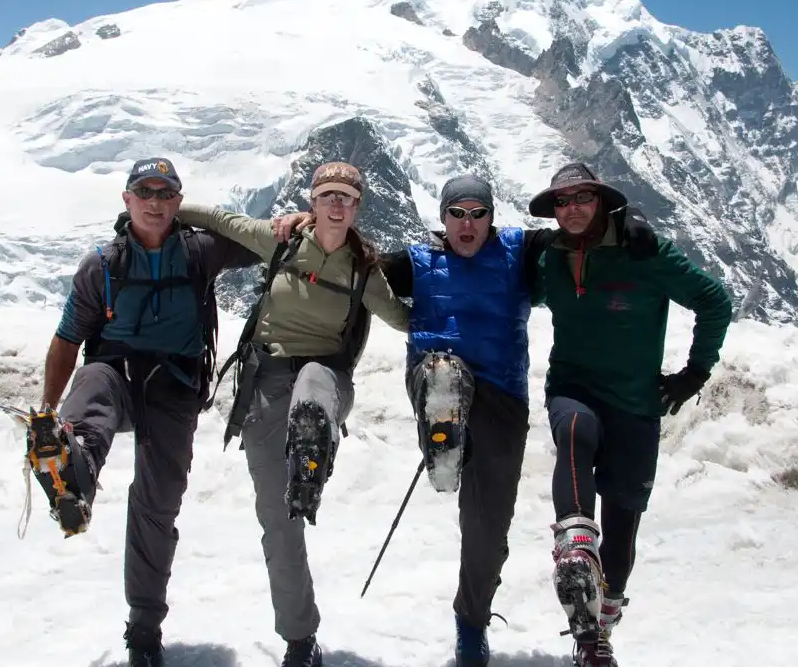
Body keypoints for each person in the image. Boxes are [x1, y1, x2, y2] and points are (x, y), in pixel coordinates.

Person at [271, 173, 657, 667]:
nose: (467, 223)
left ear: (492, 217)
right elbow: (349, 259)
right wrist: (308, 222)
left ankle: (471, 622)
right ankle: (442, 430)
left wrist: (630, 221)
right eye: (457, 213)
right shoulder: (417, 262)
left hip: (502, 398)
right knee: (443, 372)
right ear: (443, 219)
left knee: (488, 529)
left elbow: (580, 228)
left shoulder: (519, 251)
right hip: (433, 375)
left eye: (478, 213)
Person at [27, 157, 260, 667]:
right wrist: (47, 410)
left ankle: (144, 628)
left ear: (178, 201)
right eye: (144, 191)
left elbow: (257, 241)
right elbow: (68, 342)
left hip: (173, 389)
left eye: (165, 192)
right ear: (127, 198)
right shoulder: (102, 267)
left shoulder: (200, 251)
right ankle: (71, 465)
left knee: (158, 505)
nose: (154, 201)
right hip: (116, 378)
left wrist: (292, 223)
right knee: (91, 384)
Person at [177, 161, 410, 667]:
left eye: (346, 197)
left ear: (357, 207)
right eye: (328, 195)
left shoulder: (363, 271)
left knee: (311, 391)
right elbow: (219, 219)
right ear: (313, 201)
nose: (336, 204)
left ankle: (311, 450)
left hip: (325, 380)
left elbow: (402, 318)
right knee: (279, 523)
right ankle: (300, 639)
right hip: (265, 383)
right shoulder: (280, 241)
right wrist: (162, 209)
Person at [527, 162, 733, 667]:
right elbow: (484, 264)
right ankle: (575, 547)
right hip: (573, 387)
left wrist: (695, 373)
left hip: (637, 403)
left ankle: (596, 635)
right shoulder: (548, 258)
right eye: (562, 201)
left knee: (623, 526)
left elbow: (713, 300)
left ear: (601, 202)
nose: (572, 209)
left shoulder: (644, 252)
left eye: (582, 198)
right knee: (575, 427)